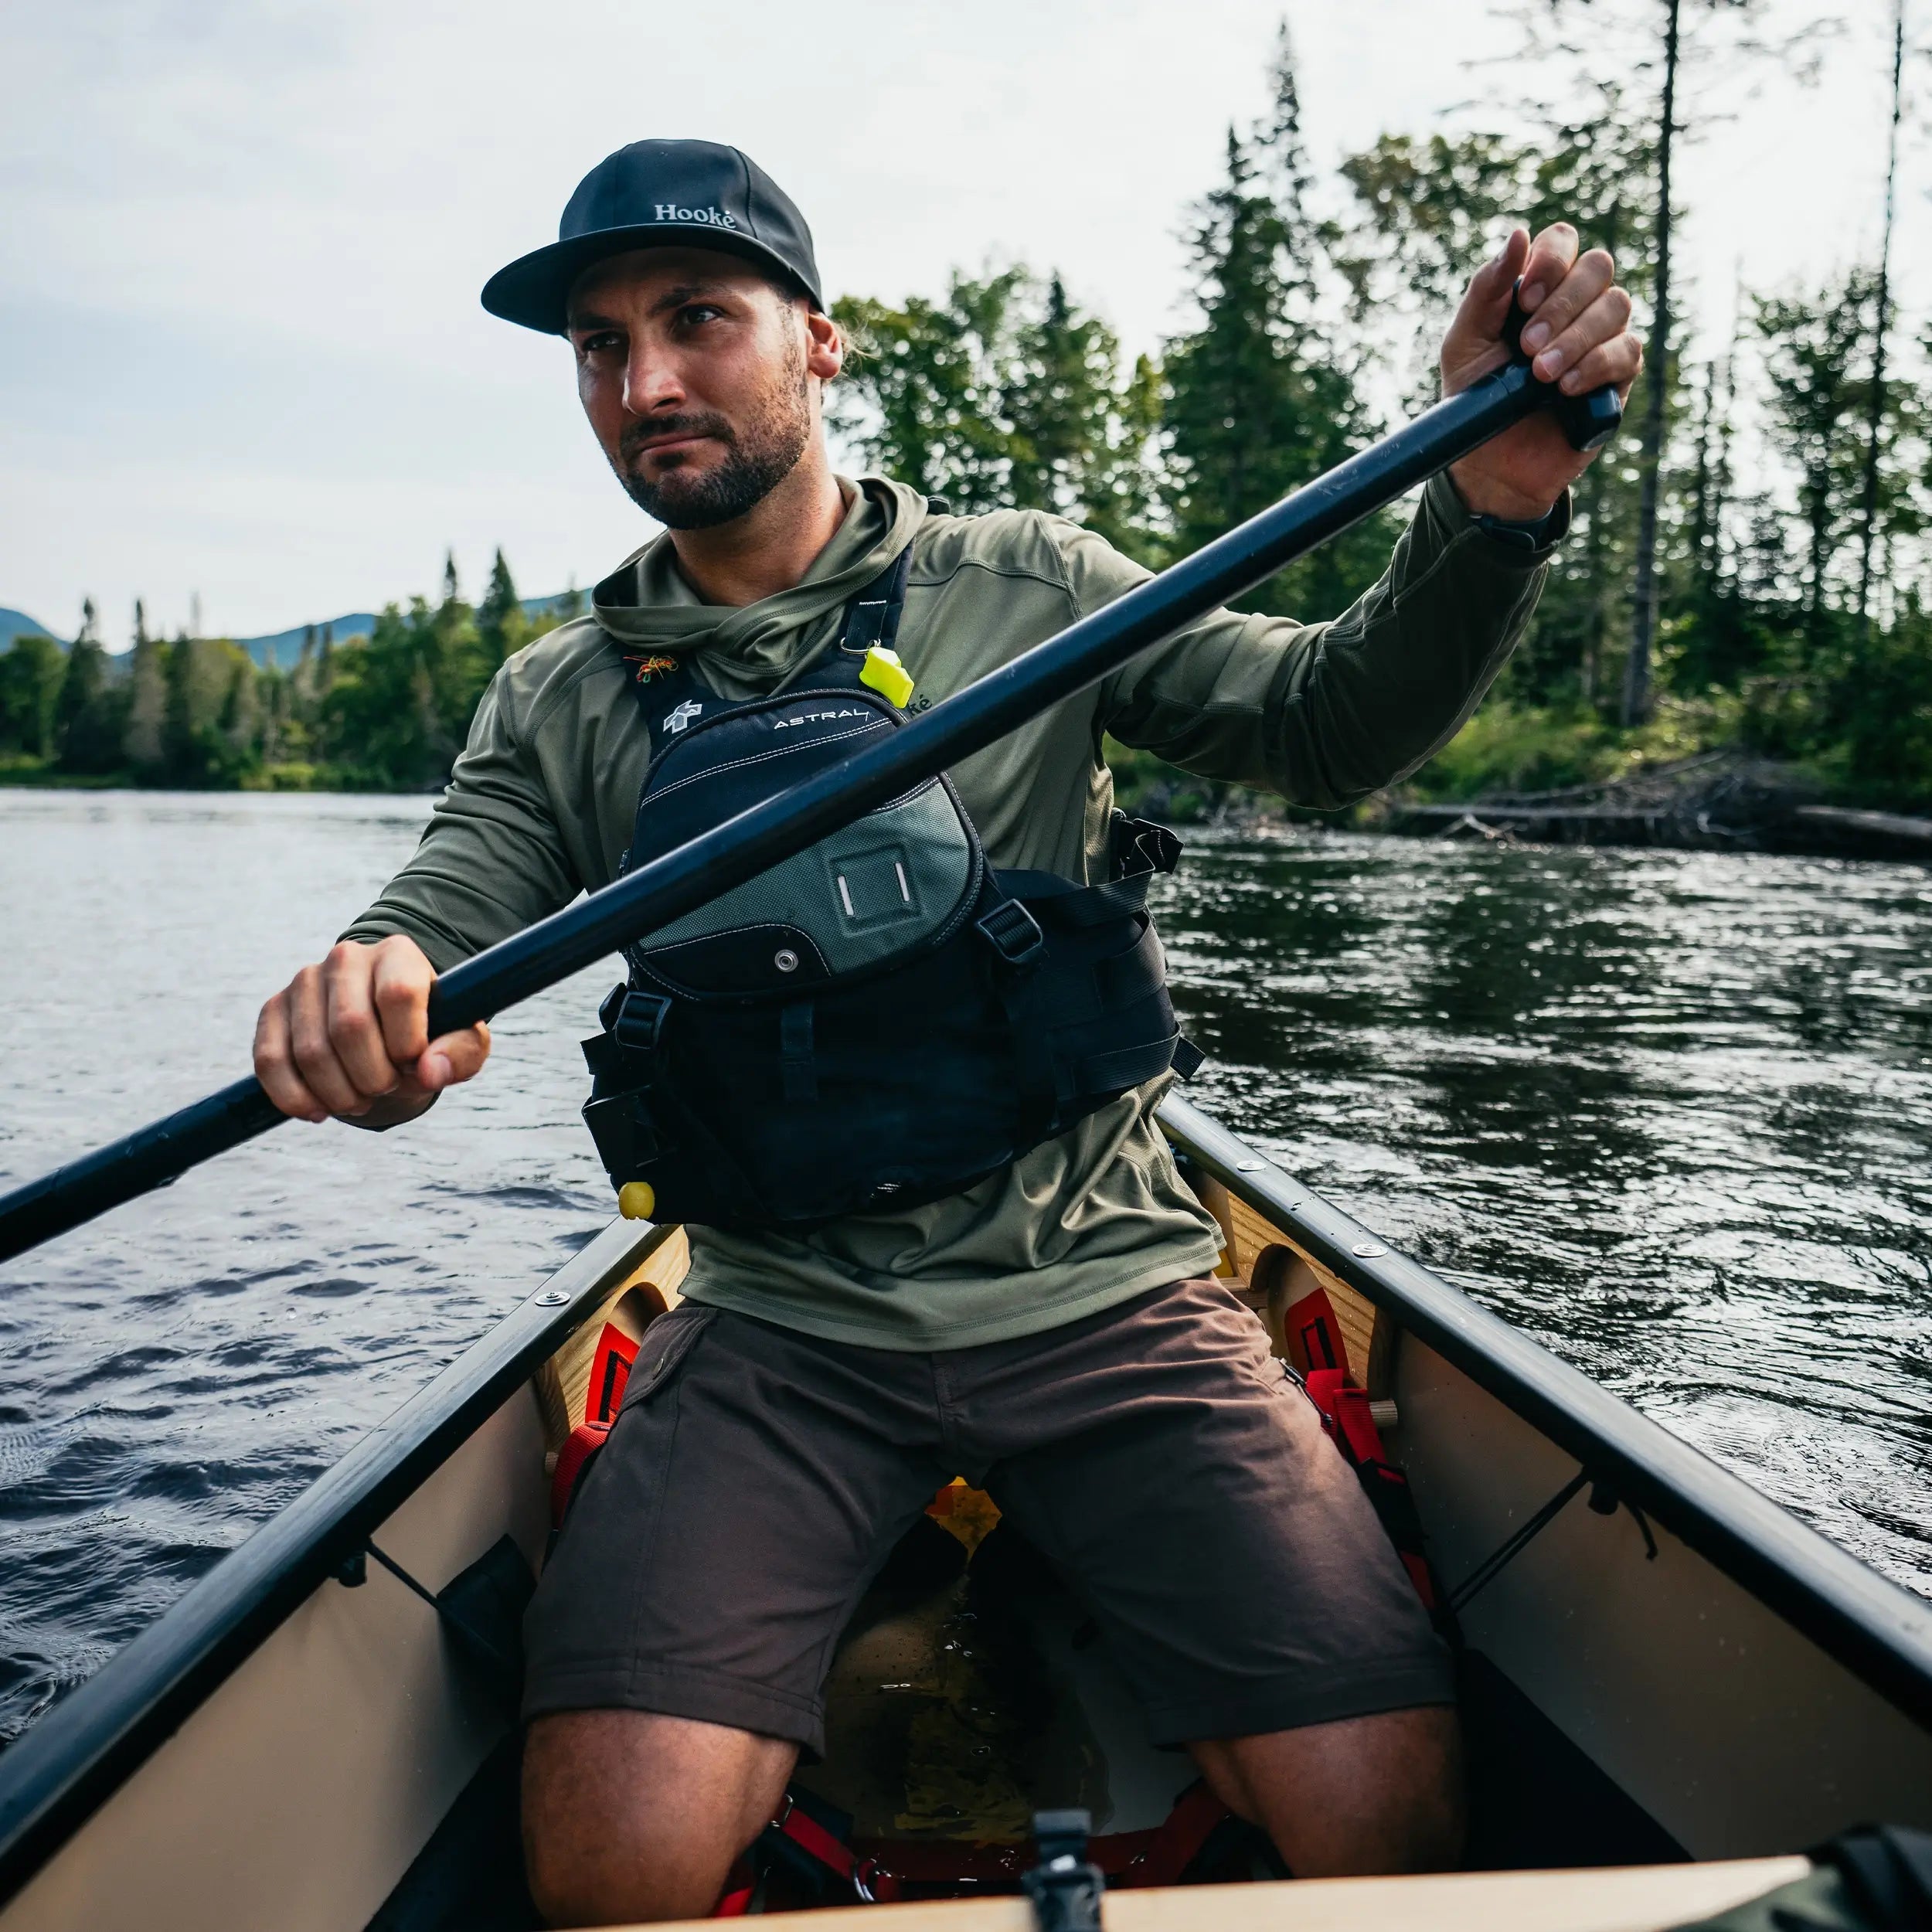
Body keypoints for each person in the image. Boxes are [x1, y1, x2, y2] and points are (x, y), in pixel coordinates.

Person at [253, 140, 1640, 1927]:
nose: (644, 381)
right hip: (775, 1325)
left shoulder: (1034, 587)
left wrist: (1493, 498)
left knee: (1383, 1833)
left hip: (1111, 1292)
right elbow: (440, 908)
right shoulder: (564, 690)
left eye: (696, 320)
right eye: (598, 345)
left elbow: (1325, 723)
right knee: (610, 1874)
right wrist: (370, 989)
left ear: (818, 344)